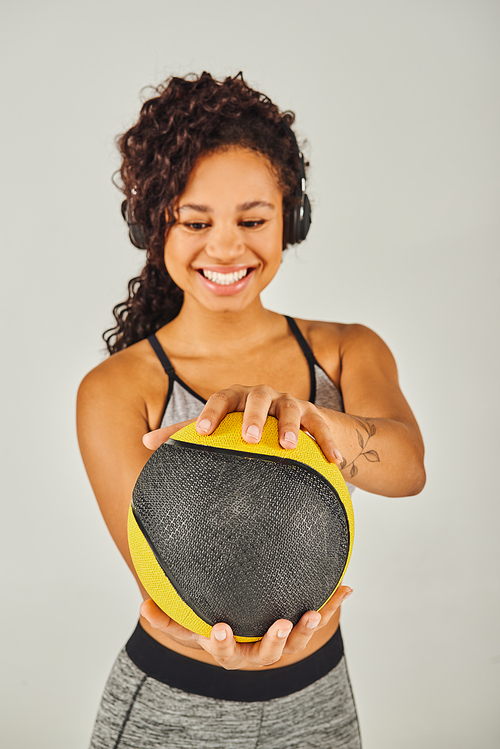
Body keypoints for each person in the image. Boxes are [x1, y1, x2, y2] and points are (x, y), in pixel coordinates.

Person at [77, 71, 425, 749]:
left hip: (319, 698)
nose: (227, 247)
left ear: (291, 217)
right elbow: (166, 582)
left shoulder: (346, 351)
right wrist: (221, 645)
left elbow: (408, 467)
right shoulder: (118, 387)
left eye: (253, 219)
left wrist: (324, 424)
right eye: (196, 222)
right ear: (154, 224)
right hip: (172, 709)